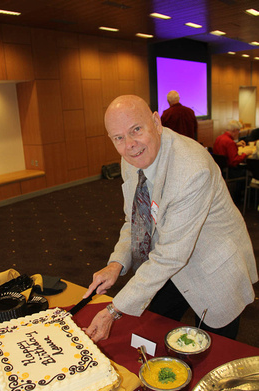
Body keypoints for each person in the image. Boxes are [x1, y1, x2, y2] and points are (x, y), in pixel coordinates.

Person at [82, 95, 258, 343]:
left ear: (156, 122)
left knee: (212, 350)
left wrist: (113, 310)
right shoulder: (130, 159)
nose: (129, 144)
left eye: (136, 130)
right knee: (150, 330)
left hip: (213, 263)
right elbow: (134, 220)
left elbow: (171, 255)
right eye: (118, 138)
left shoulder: (192, 169)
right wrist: (116, 264)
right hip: (170, 258)